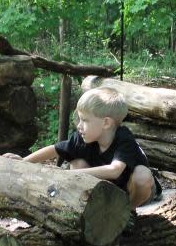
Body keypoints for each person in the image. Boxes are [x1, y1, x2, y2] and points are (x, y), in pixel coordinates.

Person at [13, 87, 162, 208]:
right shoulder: (84, 137)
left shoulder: (124, 138)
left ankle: (129, 212)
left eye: (84, 120)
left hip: (135, 191)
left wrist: (69, 175)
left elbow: (115, 170)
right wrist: (23, 161)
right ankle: (87, 206)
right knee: (76, 161)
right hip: (110, 190)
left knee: (142, 174)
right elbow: (55, 149)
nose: (79, 125)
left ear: (106, 123)